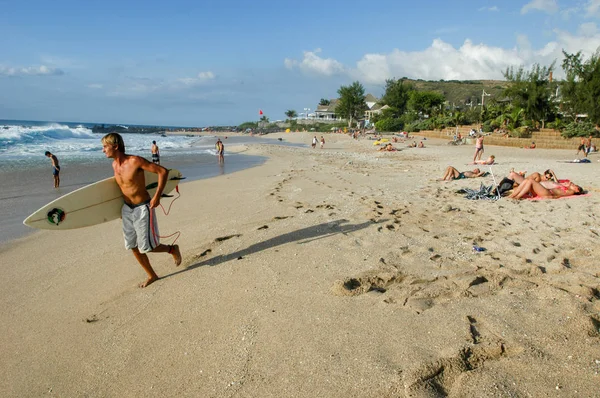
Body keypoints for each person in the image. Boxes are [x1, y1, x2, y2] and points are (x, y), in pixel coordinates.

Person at [101, 132, 182, 288]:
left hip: (142, 208)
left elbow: (162, 171)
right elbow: (123, 188)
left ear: (115, 146)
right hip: (127, 209)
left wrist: (157, 196)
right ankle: (152, 275)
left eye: (105, 146)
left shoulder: (135, 161)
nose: (103, 150)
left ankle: (172, 249)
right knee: (132, 245)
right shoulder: (114, 165)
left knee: (147, 247)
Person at [508, 178, 583, 199]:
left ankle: (517, 196)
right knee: (527, 180)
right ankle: (514, 195)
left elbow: (561, 194)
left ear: (577, 190)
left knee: (531, 181)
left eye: (574, 185)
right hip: (546, 191)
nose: (572, 184)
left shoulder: (571, 192)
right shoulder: (568, 189)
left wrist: (552, 197)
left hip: (548, 193)